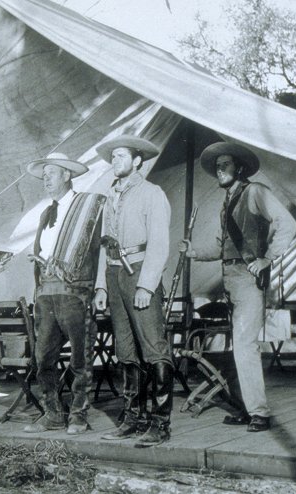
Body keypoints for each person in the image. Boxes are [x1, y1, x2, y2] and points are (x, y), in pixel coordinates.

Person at [181, 142, 296, 433]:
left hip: (248, 280)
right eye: (217, 167)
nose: (220, 170)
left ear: (239, 168)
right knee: (239, 347)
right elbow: (222, 247)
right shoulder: (227, 202)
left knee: (245, 346)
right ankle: (247, 409)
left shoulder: (255, 192)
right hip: (231, 279)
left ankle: (259, 413)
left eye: (226, 165)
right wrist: (194, 252)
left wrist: (267, 258)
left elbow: (287, 223)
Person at [92, 135, 174, 447]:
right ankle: (133, 419)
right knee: (125, 350)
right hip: (114, 276)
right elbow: (104, 246)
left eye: (122, 156)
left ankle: (160, 423)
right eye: (113, 157)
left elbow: (159, 243)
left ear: (137, 160)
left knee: (153, 348)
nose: (116, 162)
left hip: (139, 272)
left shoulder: (152, 194)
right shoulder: (109, 196)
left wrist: (146, 284)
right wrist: (101, 285)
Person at [22, 153, 105, 435]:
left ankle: (79, 415)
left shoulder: (88, 207)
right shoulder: (46, 213)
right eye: (43, 174)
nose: (46, 179)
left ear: (67, 176)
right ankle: (53, 413)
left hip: (74, 293)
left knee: (80, 359)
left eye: (52, 173)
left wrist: (100, 286)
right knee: (43, 358)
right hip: (46, 294)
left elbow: (100, 249)